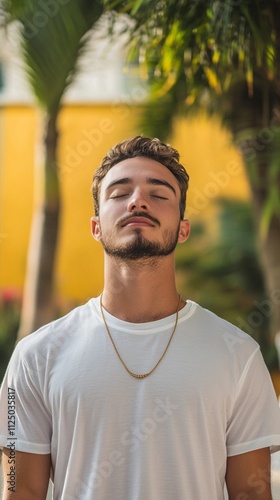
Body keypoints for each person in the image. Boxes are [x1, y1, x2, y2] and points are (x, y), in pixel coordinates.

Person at [0, 135, 280, 500]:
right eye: (119, 193)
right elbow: (19, 491)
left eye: (159, 194)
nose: (138, 201)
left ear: (183, 228)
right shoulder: (35, 355)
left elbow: (251, 493)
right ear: (96, 226)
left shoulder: (238, 354)